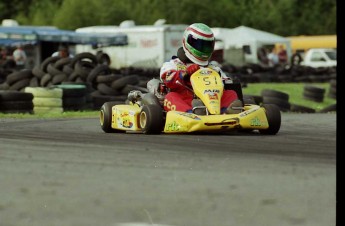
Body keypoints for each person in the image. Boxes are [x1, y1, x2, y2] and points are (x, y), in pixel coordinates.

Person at [159, 23, 242, 115]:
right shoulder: (173, 64)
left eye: (207, 46)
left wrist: (223, 80)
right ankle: (191, 113)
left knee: (231, 93)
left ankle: (226, 112)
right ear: (186, 42)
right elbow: (167, 79)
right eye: (199, 45)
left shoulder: (213, 67)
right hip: (185, 100)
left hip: (212, 100)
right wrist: (185, 73)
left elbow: (227, 83)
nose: (203, 49)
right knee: (171, 97)